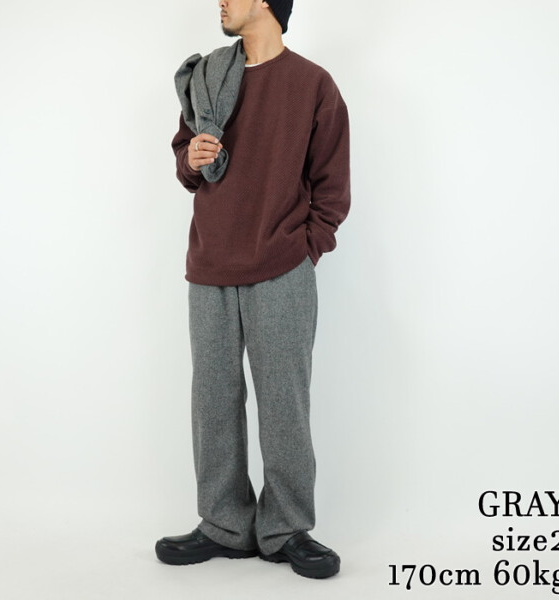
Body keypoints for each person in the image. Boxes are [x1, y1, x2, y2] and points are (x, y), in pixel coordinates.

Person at [155, 0, 350, 579]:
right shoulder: (208, 74)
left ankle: (286, 528)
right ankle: (224, 525)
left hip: (282, 266)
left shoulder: (314, 85)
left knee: (284, 403)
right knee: (212, 401)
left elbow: (332, 188)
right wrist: (191, 158)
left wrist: (304, 248)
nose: (220, 1)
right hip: (210, 262)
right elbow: (185, 158)